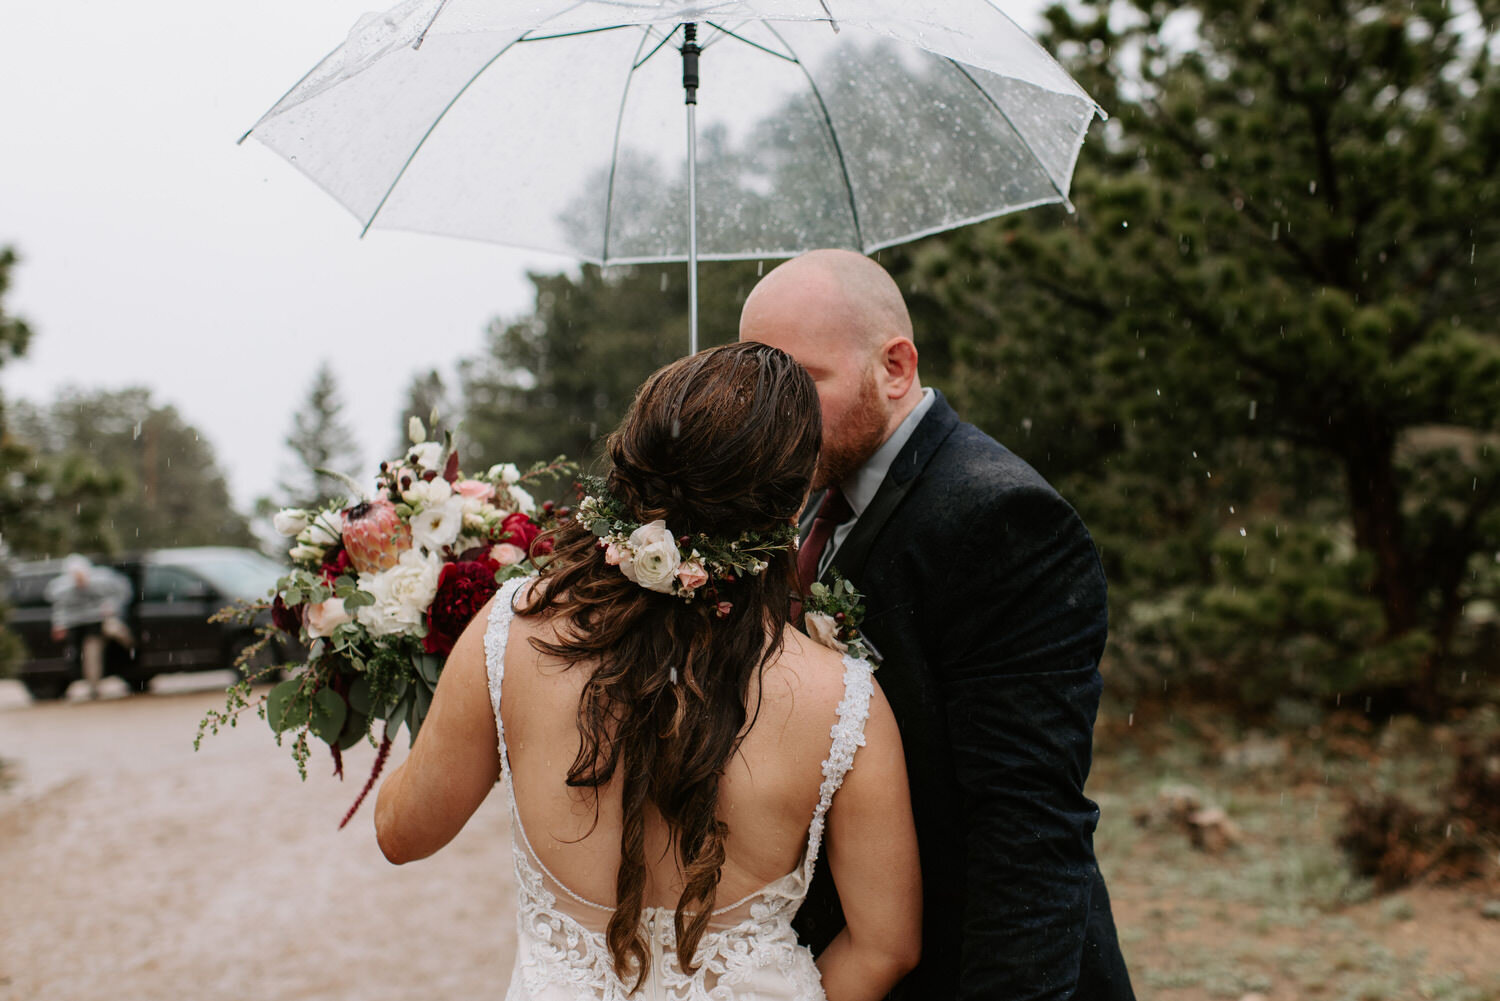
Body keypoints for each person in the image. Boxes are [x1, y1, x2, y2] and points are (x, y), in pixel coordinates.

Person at [373, 342, 922, 1001]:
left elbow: (402, 832)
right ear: (787, 509)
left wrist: (419, 656)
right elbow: (887, 943)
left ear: (632, 463)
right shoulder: (845, 701)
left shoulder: (510, 634)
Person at [740, 249, 1135, 1001]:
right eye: (759, 385)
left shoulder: (1002, 519)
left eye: (801, 384)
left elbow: (1027, 827)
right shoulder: (806, 497)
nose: (772, 418)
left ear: (895, 366)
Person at [45, 554, 133, 700]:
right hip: (78, 626)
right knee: (89, 656)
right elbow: (61, 609)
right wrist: (59, 625)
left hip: (99, 622)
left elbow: (122, 593)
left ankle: (131, 646)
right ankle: (94, 687)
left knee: (109, 634)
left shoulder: (103, 581)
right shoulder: (62, 590)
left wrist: (112, 607)